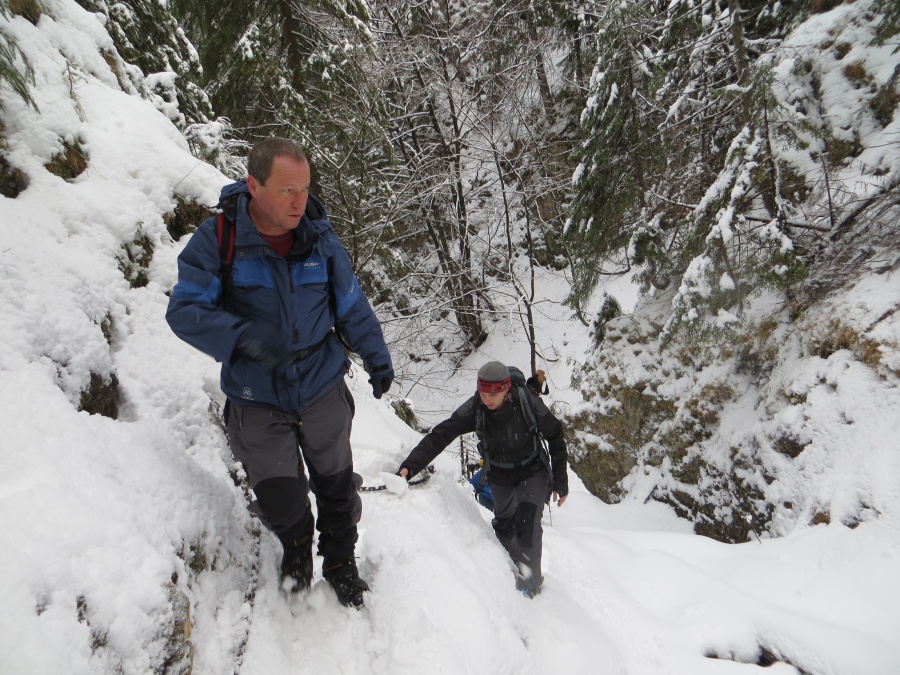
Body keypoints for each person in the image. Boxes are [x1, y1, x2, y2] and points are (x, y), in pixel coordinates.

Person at [166, 138, 393, 609]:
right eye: (288, 190)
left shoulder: (319, 238)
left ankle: (340, 561)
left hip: (320, 383)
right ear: (254, 186)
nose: (299, 201)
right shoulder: (220, 239)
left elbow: (350, 304)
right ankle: (296, 546)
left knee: (336, 484)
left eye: (305, 189)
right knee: (281, 497)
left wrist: (376, 356)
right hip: (256, 394)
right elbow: (185, 310)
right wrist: (243, 338)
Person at [397, 362, 568, 597]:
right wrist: (410, 466)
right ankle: (514, 563)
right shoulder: (476, 407)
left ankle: (530, 585)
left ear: (506, 389)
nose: (487, 399)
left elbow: (555, 434)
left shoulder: (527, 402)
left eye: (492, 394)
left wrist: (560, 480)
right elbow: (443, 433)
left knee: (528, 523)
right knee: (505, 527)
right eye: (482, 392)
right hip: (499, 473)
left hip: (533, 471)